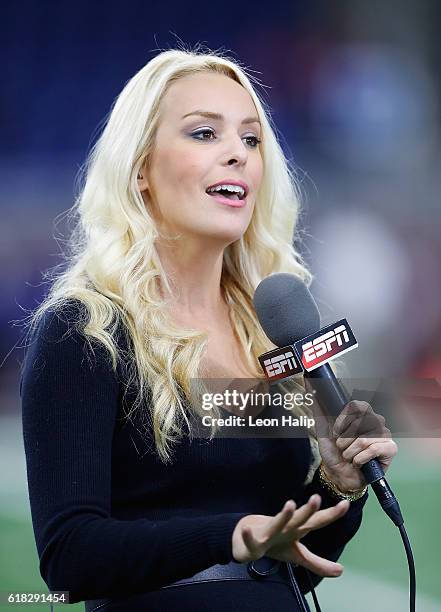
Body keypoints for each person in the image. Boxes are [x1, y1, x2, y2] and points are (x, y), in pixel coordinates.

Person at [20, 46, 398, 611]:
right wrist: (228, 535)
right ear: (140, 168)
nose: (237, 155)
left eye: (250, 140)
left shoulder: (271, 330)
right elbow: (69, 558)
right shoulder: (84, 331)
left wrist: (338, 484)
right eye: (204, 134)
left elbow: (294, 564)